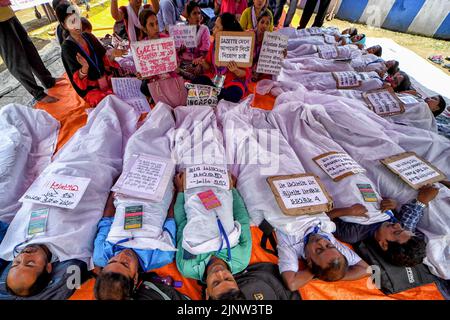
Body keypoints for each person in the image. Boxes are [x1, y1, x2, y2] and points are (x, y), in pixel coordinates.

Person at [174, 172, 252, 300]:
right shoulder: (241, 259)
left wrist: (181, 191)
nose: (220, 272)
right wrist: (232, 189)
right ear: (236, 283)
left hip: (191, 188)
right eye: (227, 278)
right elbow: (242, 218)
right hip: (220, 185)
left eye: (216, 282)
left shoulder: (187, 266)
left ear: (207, 293)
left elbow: (182, 224)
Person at [331, 186, 438, 267]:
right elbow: (410, 217)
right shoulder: (395, 225)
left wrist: (348, 211)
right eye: (402, 228)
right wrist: (394, 204)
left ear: (383, 244)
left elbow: (322, 219)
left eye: (396, 232)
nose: (397, 224)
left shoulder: (352, 233)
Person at [56, 3, 127, 107]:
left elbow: (105, 58)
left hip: (105, 78)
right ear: (64, 25)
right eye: (71, 22)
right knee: (111, 102)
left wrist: (114, 54)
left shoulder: (88, 36)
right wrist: (85, 68)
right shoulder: (67, 48)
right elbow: (78, 81)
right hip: (91, 90)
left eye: (77, 19)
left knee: (126, 88)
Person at [0, 0, 62, 103]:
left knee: (30, 50)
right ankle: (38, 94)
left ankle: (48, 80)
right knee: (15, 58)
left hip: (8, 13)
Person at [277, 224, 369, 291]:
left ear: (310, 261)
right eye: (329, 245)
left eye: (319, 250)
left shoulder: (289, 246)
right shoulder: (337, 252)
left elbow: (292, 284)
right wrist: (332, 274)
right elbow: (365, 269)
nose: (321, 241)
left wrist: (320, 273)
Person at [192, 12, 251, 103]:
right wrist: (203, 63)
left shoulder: (239, 46)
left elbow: (244, 73)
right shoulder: (214, 44)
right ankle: (217, 94)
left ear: (226, 30)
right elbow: (209, 67)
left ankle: (212, 94)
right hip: (215, 78)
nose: (213, 29)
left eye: (217, 27)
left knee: (236, 93)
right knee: (197, 81)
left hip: (231, 81)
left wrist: (235, 70)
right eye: (214, 26)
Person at [137, 9, 182, 104]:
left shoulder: (166, 39)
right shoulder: (141, 47)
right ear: (144, 29)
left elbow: (176, 62)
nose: (156, 27)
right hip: (154, 83)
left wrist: (176, 65)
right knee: (143, 87)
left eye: (157, 23)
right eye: (151, 25)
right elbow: (144, 71)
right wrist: (142, 75)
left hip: (171, 79)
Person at [177, 1, 210, 80]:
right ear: (188, 17)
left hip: (196, 65)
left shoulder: (204, 29)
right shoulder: (181, 29)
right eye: (194, 14)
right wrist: (179, 49)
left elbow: (205, 54)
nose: (198, 16)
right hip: (182, 64)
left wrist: (199, 63)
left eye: (199, 13)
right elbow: (176, 52)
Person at [251, 10, 276, 82]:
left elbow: (271, 58)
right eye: (262, 22)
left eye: (267, 23)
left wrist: (281, 54)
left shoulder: (271, 40)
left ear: (269, 26)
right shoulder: (249, 35)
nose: (264, 25)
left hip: (260, 65)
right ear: (257, 23)